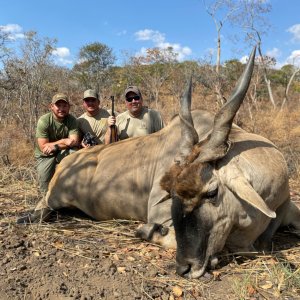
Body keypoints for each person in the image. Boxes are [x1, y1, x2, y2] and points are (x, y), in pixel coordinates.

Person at [35, 93, 80, 194]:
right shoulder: (44, 120)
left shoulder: (72, 120)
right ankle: (46, 203)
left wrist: (55, 146)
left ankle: (72, 193)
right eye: (58, 105)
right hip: (46, 155)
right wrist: (63, 141)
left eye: (64, 106)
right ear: (51, 106)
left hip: (62, 150)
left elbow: (73, 141)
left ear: (69, 107)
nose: (61, 109)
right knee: (44, 181)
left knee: (75, 154)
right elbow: (43, 147)